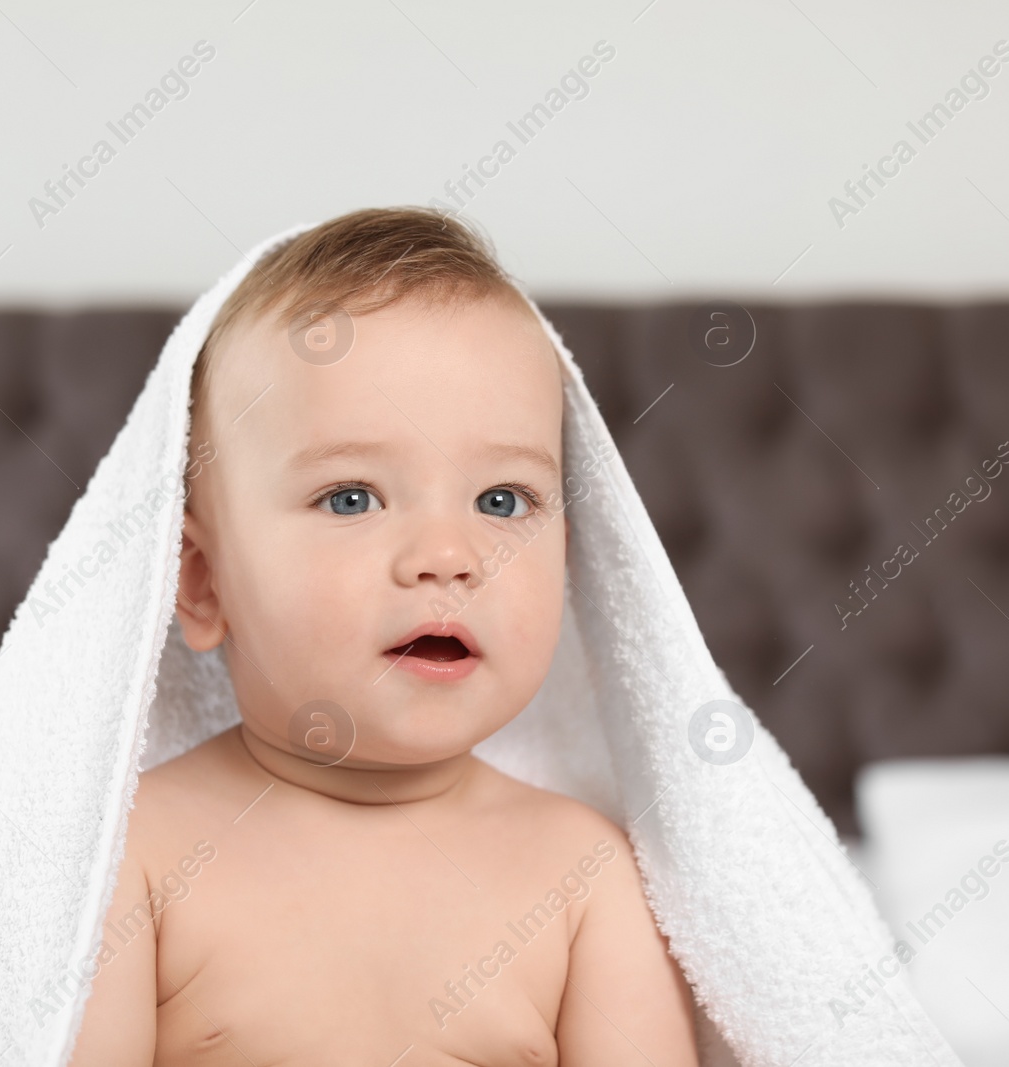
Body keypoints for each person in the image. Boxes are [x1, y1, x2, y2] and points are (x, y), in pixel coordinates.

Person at [70, 207, 700, 1066]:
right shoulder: (134, 854)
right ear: (203, 581)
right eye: (351, 496)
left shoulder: (583, 877)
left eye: (502, 501)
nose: (448, 557)